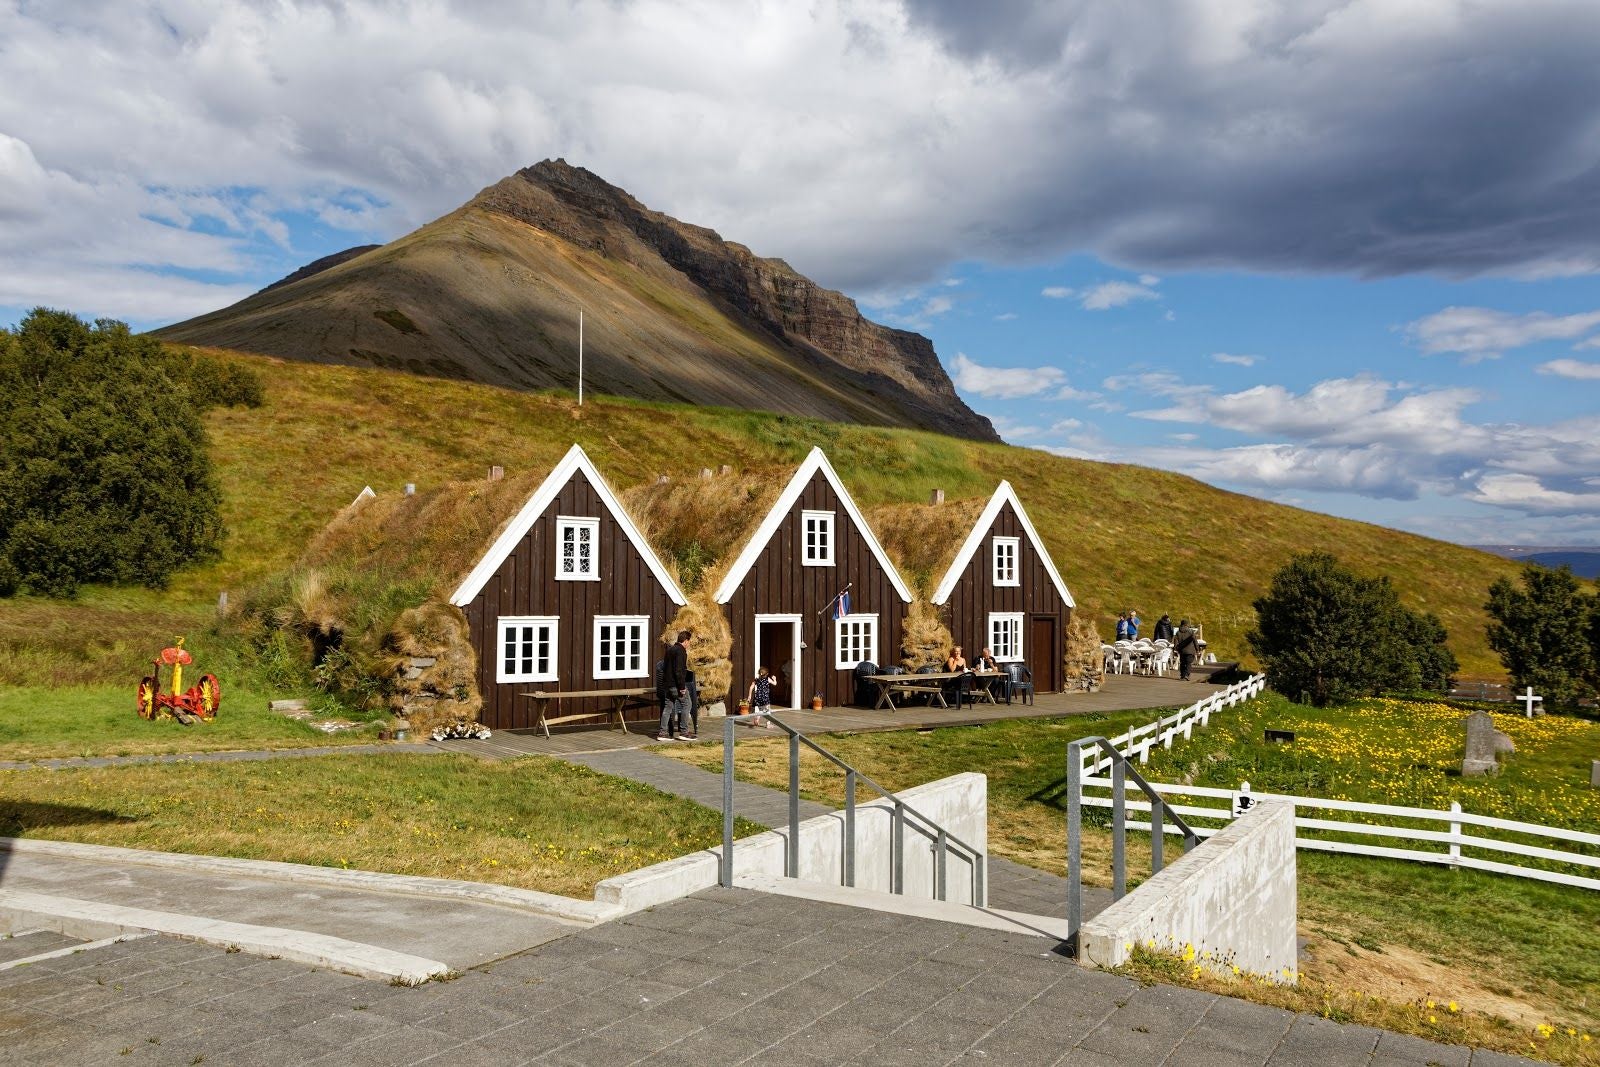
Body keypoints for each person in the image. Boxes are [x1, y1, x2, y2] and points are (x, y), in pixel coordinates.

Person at [656, 629, 694, 740]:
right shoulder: (681, 651)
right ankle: (684, 732)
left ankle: (662, 733)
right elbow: (679, 671)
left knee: (668, 708)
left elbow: (665, 668)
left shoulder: (670, 650)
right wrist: (682, 687)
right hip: (676, 686)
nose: (689, 644)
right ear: (686, 641)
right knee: (687, 704)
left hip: (667, 685)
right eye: (689, 641)